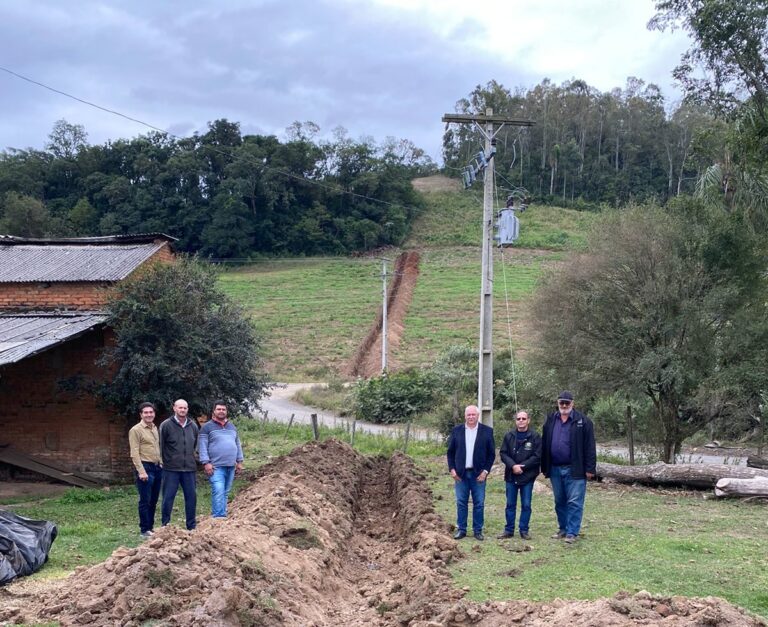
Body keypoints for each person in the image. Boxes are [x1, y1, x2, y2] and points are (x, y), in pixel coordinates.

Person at [540, 391, 596, 544]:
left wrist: (590, 469)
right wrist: (544, 466)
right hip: (555, 468)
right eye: (561, 403)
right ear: (557, 403)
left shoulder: (583, 421)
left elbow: (590, 446)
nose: (564, 405)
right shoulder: (550, 420)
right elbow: (545, 443)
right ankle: (563, 529)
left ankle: (572, 532)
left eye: (567, 403)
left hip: (575, 469)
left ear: (573, 403)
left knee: (575, 502)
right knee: (560, 501)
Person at [446, 405, 495, 541]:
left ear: (478, 416)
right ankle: (461, 529)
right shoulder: (457, 431)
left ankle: (477, 530)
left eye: (473, 414)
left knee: (479, 503)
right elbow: (450, 453)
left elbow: (491, 455)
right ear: (465, 416)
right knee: (461, 502)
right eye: (469, 415)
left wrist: (485, 472)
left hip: (478, 474)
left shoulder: (487, 431)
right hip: (460, 474)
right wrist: (452, 470)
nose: (471, 417)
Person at [498, 410, 541, 540]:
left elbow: (537, 456)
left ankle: (524, 530)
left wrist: (522, 466)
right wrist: (513, 466)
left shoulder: (535, 436)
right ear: (515, 421)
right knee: (510, 504)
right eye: (518, 419)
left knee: (526, 505)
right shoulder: (509, 436)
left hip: (527, 476)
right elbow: (503, 453)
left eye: (523, 418)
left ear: (528, 420)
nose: (521, 421)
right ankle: (509, 530)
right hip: (511, 475)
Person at [198, 401, 244, 518]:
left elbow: (237, 444)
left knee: (225, 492)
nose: (221, 411)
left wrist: (239, 461)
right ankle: (218, 517)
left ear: (226, 411)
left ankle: (222, 515)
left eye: (223, 409)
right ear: (214, 411)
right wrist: (206, 462)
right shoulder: (207, 427)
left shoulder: (232, 427)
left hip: (231, 465)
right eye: (219, 409)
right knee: (218, 490)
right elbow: (202, 446)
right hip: (215, 466)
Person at [159, 398, 199, 530]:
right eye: (180, 407)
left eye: (185, 408)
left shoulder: (193, 426)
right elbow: (160, 445)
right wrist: (162, 461)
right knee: (168, 498)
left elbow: (195, 445)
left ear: (187, 409)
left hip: (189, 469)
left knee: (191, 498)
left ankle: (191, 526)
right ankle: (165, 526)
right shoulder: (166, 425)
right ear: (174, 408)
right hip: (171, 469)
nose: (182, 410)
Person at [128, 402, 162, 538]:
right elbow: (134, 452)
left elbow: (157, 448)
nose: (149, 414)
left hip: (157, 467)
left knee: (153, 500)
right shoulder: (135, 430)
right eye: (146, 412)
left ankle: (150, 528)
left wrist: (161, 463)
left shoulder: (154, 428)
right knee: (145, 500)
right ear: (141, 414)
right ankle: (144, 529)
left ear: (154, 413)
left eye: (151, 412)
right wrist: (141, 471)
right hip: (145, 468)